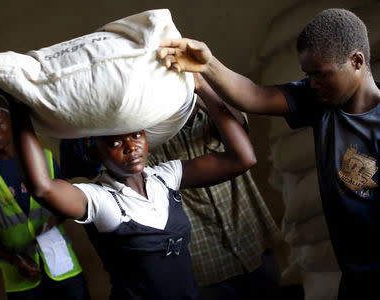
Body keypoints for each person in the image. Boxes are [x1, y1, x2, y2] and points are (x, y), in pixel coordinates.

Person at [157, 8, 379, 300]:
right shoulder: (321, 101)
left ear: (357, 61)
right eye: (308, 75)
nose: (312, 83)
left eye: (320, 74)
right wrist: (207, 65)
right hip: (355, 276)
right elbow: (253, 96)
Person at [0, 69, 257, 299]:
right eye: (116, 143)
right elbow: (43, 188)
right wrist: (18, 108)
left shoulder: (165, 178)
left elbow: (242, 158)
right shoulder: (102, 200)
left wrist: (201, 86)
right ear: (96, 153)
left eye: (137, 135)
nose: (131, 147)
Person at [146, 80, 281, 300]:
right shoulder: (152, 141)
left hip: (252, 244)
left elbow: (240, 129)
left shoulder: (216, 115)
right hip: (207, 266)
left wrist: (198, 88)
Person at [0, 96, 90, 300]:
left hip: (63, 265)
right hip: (20, 278)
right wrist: (13, 259)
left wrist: (54, 220)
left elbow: (68, 203)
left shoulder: (46, 158)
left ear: (11, 121)